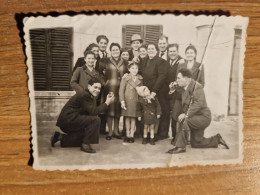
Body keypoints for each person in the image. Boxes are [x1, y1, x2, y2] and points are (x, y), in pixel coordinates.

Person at [167, 68, 229, 154]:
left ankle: (180, 147)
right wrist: (172, 88)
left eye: (178, 78)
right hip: (194, 116)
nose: (176, 80)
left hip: (203, 117)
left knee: (183, 120)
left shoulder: (197, 87)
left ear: (186, 78)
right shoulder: (184, 86)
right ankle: (217, 139)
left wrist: (186, 114)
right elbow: (177, 95)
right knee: (197, 143)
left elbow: (198, 104)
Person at [51, 78, 115, 153]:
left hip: (71, 119)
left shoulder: (90, 95)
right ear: (89, 86)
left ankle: (59, 137)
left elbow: (91, 111)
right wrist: (107, 103)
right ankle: (85, 145)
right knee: (96, 119)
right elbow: (94, 112)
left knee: (84, 137)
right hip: (69, 120)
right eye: (95, 87)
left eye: (99, 88)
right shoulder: (85, 95)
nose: (97, 90)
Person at [140, 43, 170, 140]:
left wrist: (154, 91)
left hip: (159, 91)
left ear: (157, 51)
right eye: (149, 48)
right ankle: (147, 133)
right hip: (147, 91)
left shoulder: (161, 61)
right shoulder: (144, 60)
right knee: (148, 112)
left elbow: (162, 77)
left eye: (152, 49)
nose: (150, 50)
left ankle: (160, 134)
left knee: (159, 111)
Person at [99, 43, 128, 140]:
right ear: (110, 51)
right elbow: (100, 74)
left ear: (120, 50)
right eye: (113, 50)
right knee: (110, 110)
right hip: (109, 89)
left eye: (117, 49)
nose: (115, 51)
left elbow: (128, 73)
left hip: (120, 89)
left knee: (118, 110)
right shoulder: (105, 61)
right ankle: (110, 132)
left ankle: (116, 131)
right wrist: (105, 83)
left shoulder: (125, 62)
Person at [119, 63, 143, 143]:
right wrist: (122, 101)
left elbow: (141, 91)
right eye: (132, 68)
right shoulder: (125, 78)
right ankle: (127, 134)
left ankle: (132, 135)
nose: (134, 70)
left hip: (136, 101)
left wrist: (141, 101)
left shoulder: (140, 78)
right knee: (127, 117)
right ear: (129, 69)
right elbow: (121, 90)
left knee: (133, 118)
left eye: (136, 68)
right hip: (127, 101)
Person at [166, 43, 185, 143]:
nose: (172, 53)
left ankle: (177, 137)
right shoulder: (168, 61)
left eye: (174, 51)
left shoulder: (182, 62)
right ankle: (174, 135)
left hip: (178, 91)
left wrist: (175, 84)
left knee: (176, 114)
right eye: (170, 51)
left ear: (177, 52)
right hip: (170, 91)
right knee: (171, 114)